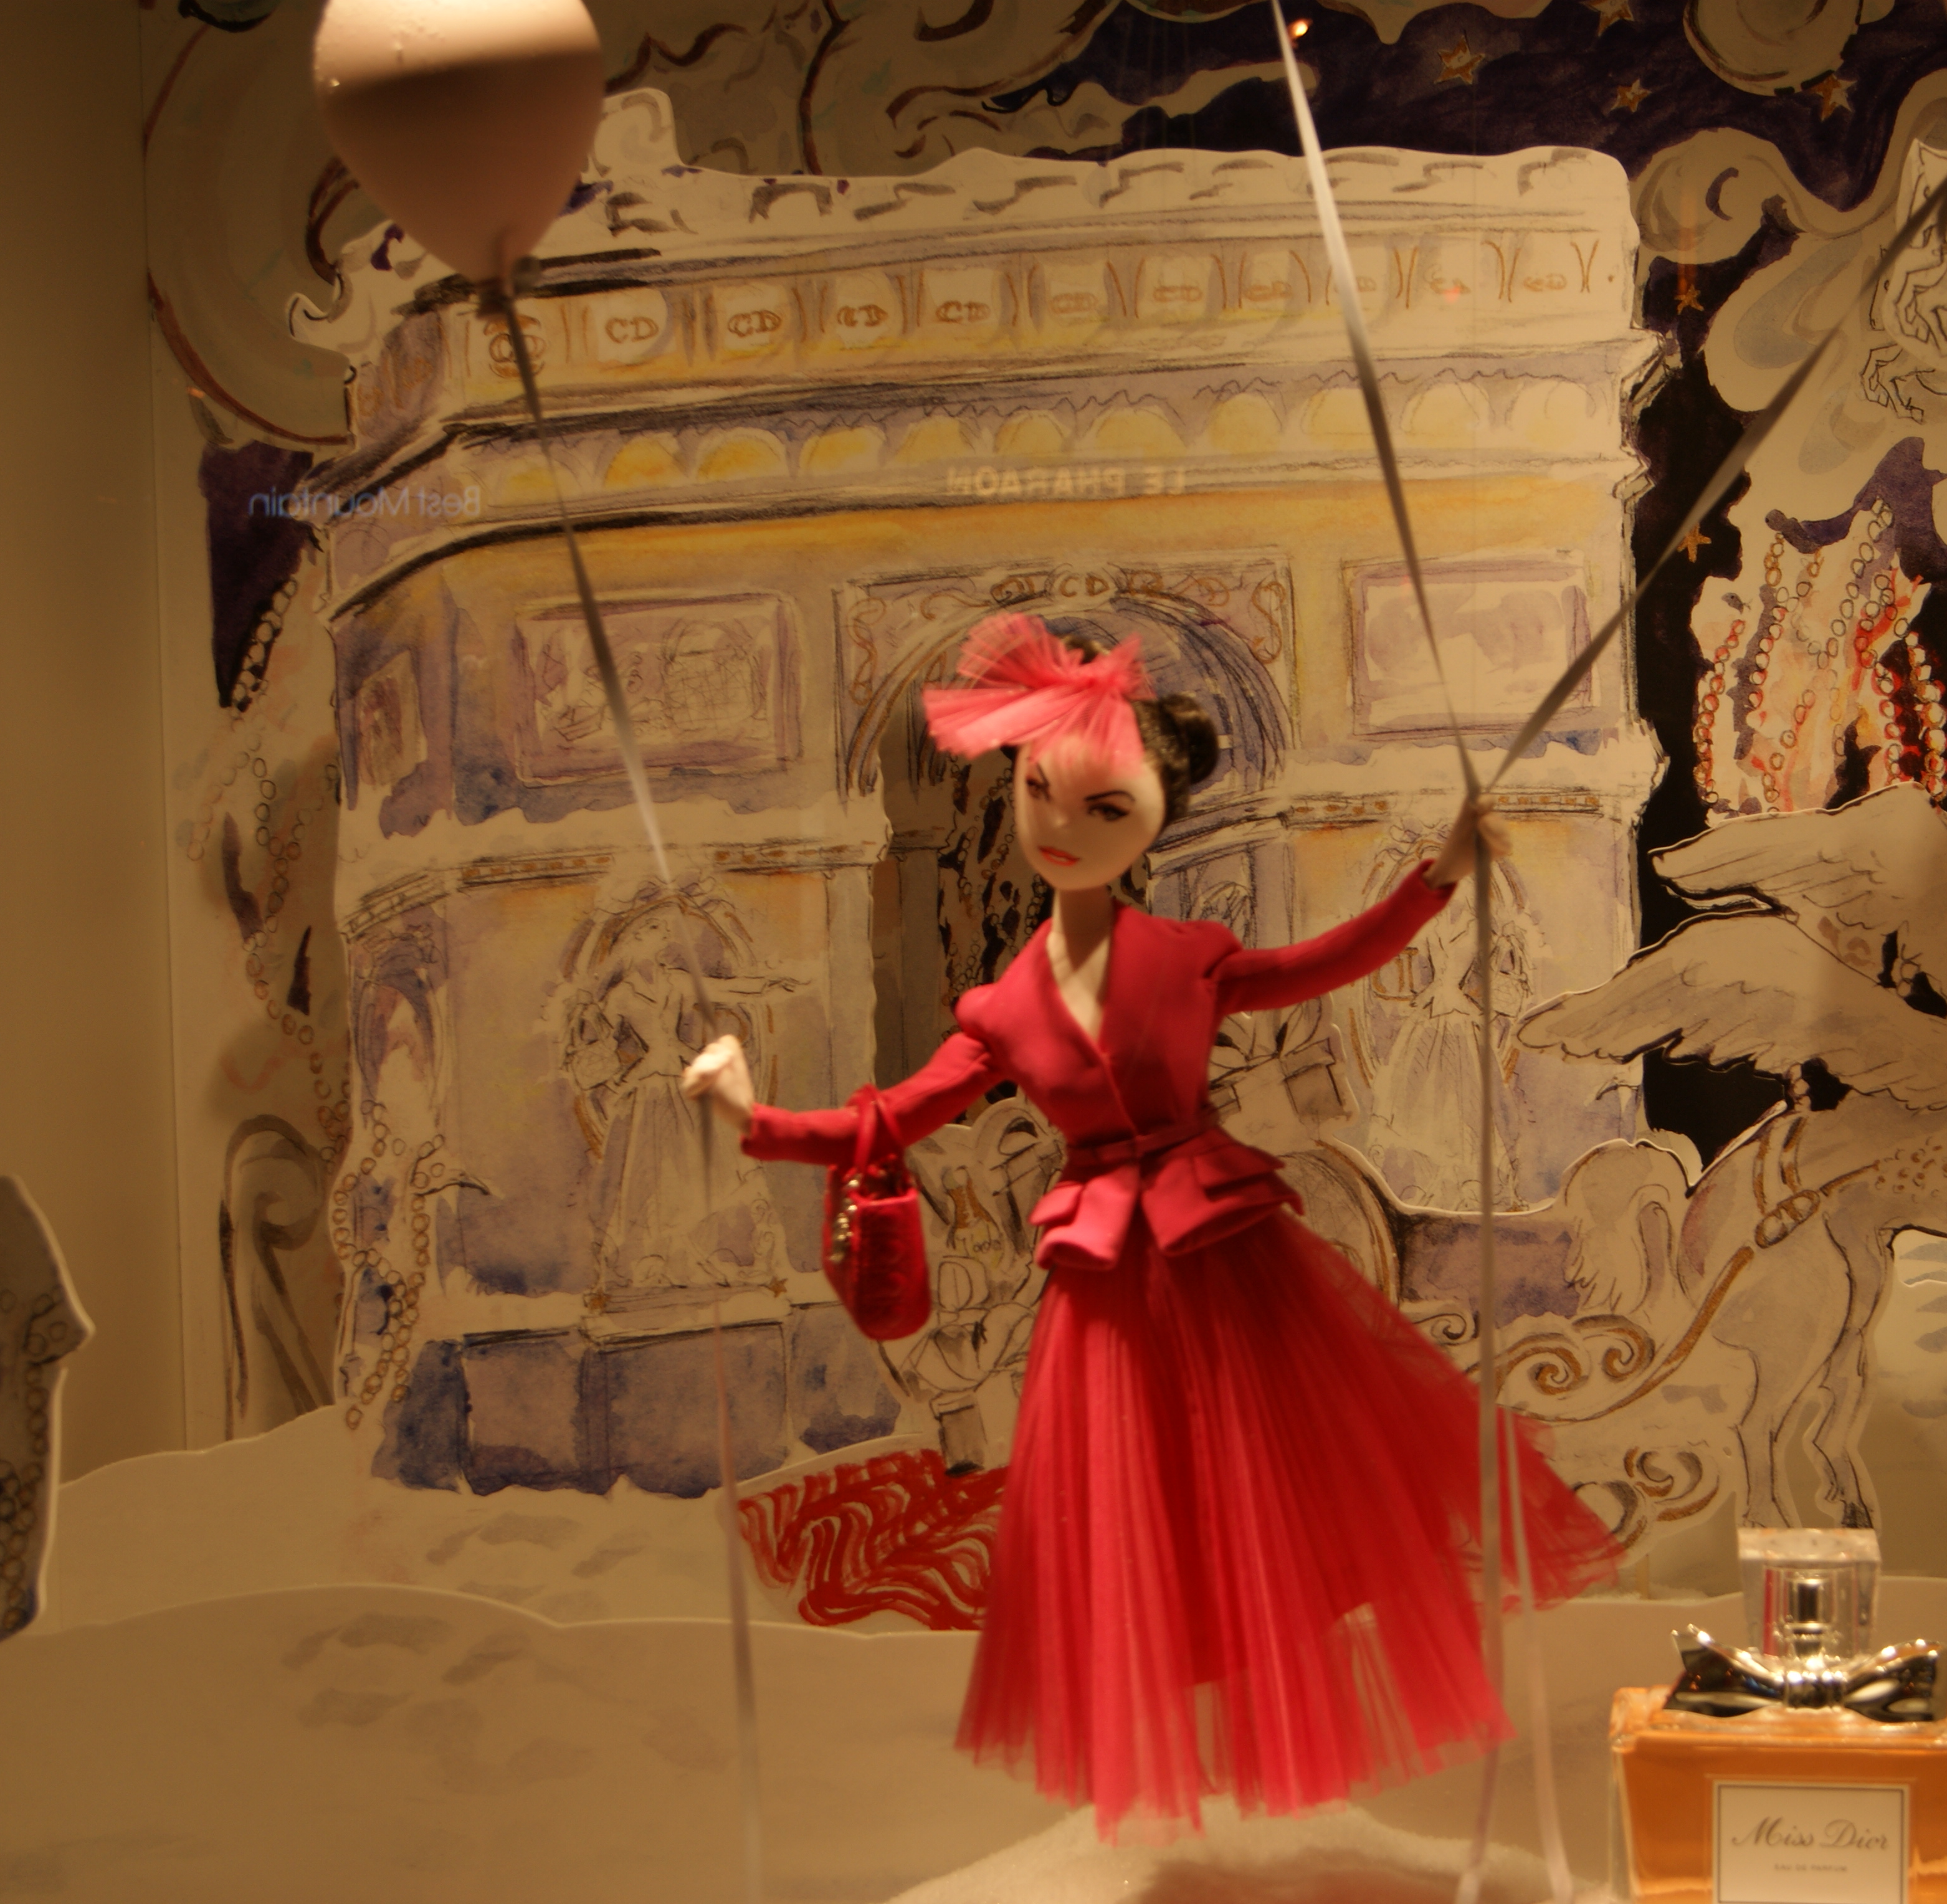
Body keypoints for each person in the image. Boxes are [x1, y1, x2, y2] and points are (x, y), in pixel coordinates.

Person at [682, 612, 1617, 1838]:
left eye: (1104, 809)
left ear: (1157, 819)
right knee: (1133, 1514)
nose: (1062, 828)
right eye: (1039, 794)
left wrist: (1434, 879)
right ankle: (1193, 1757)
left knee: (1272, 1482)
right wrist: (748, 1114)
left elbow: (1329, 960)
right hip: (1102, 1280)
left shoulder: (1190, 959)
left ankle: (1281, 1706)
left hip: (1224, 1250)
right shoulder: (1001, 1007)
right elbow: (889, 1120)